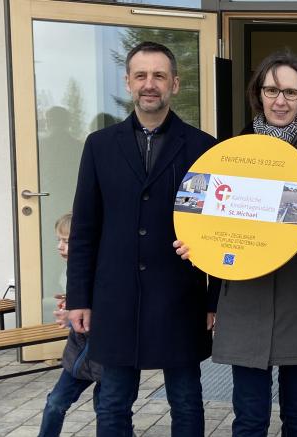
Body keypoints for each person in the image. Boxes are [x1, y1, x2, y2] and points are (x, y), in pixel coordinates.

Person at [174, 50, 297, 437]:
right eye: (271, 90)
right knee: (249, 417)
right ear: (258, 94)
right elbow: (201, 213)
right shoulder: (231, 152)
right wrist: (196, 245)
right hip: (246, 296)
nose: (280, 101)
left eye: (290, 92)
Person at [65, 41, 219, 437]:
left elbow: (216, 230)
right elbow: (85, 228)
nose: (150, 84)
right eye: (141, 76)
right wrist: (80, 297)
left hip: (179, 297)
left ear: (175, 84)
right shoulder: (99, 146)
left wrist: (214, 299)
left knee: (186, 400)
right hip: (115, 298)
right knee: (114, 401)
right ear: (128, 82)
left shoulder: (203, 148)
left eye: (159, 76)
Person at [39, 213, 102, 437]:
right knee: (56, 402)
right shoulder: (69, 272)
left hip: (106, 358)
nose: (60, 247)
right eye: (59, 240)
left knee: (108, 409)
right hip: (77, 357)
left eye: (66, 241)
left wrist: (71, 317)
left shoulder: (101, 272)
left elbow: (109, 314)